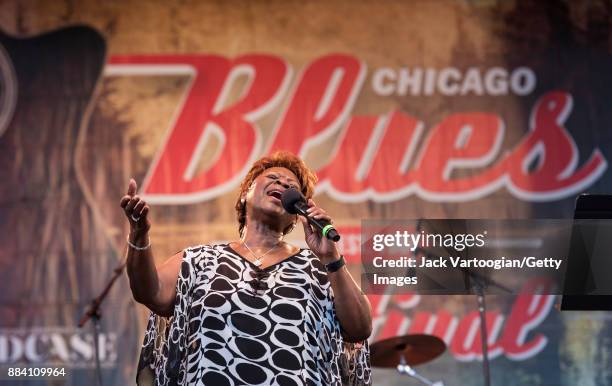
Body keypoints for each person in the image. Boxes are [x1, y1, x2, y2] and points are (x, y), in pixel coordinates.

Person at [121, 151, 372, 386]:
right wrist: (140, 235)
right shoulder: (199, 259)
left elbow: (360, 328)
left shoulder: (319, 269)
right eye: (273, 178)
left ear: (298, 215)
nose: (283, 185)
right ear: (245, 194)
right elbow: (149, 292)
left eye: (292, 187)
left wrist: (332, 257)